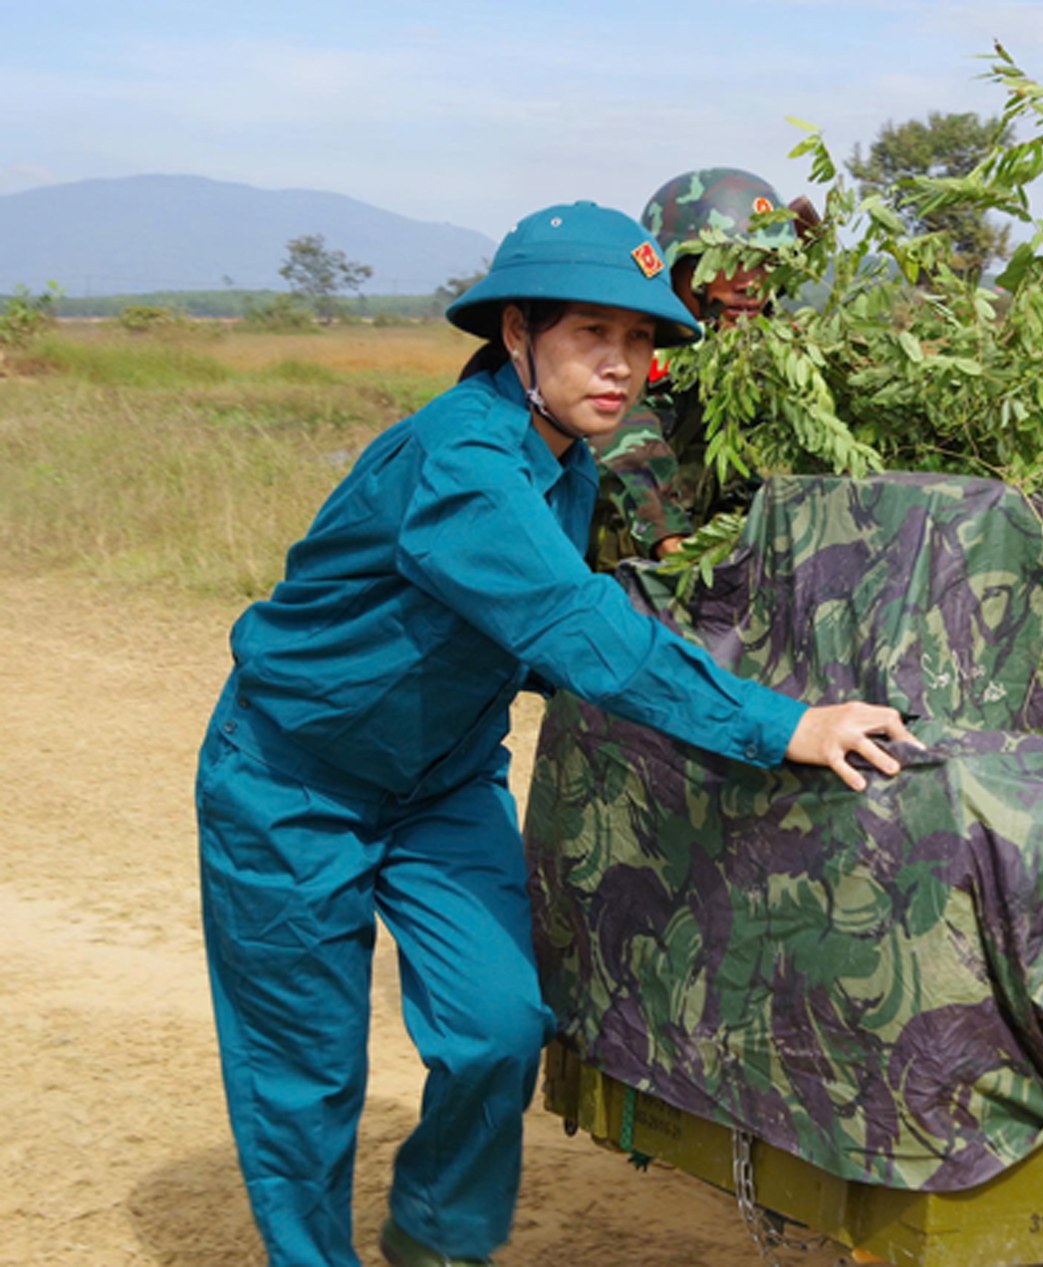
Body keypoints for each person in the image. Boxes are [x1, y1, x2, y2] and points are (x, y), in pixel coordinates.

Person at [195, 201, 915, 1267]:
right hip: (295, 780)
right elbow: (570, 624)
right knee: (305, 1072)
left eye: (638, 340)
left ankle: (437, 1237)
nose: (620, 365)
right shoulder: (465, 462)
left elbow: (534, 635)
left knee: (498, 1027)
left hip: (439, 785)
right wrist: (780, 724)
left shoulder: (567, 460)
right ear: (518, 332)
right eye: (592, 335)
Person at [588, 167, 818, 567]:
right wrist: (671, 540)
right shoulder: (634, 341)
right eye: (729, 262)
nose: (751, 284)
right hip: (613, 573)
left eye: (766, 264)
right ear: (675, 267)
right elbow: (624, 439)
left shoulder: (748, 353)